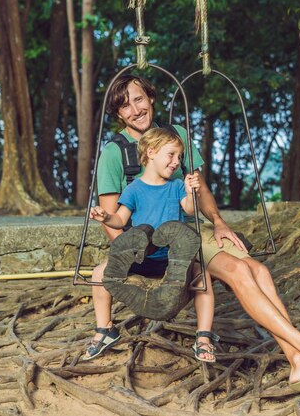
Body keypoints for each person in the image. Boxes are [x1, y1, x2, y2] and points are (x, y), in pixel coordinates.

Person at [89, 73, 300, 392]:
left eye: (139, 99)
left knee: (259, 270)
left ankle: (298, 362)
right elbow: (111, 218)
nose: (135, 110)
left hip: (190, 229)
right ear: (119, 114)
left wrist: (218, 221)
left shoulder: (177, 135)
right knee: (239, 270)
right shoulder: (115, 153)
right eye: (125, 106)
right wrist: (136, 261)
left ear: (151, 98)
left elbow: (199, 191)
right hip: (154, 246)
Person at [88, 127, 216, 363]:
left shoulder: (176, 186)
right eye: (171, 155)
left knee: (204, 277)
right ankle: (105, 330)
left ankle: (204, 337)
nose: (176, 162)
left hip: (174, 261)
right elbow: (120, 219)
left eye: (179, 157)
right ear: (152, 152)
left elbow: (189, 209)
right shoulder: (134, 189)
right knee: (99, 274)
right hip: (141, 258)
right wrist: (106, 217)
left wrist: (191, 193)